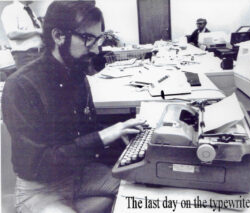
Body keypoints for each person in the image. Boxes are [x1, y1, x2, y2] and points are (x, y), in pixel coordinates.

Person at [1, 1, 145, 213]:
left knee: (147, 192)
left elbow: (84, 132)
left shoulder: (76, 73)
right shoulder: (21, 85)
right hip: (41, 190)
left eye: (99, 39)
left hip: (80, 174)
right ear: (58, 36)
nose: (96, 48)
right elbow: (39, 165)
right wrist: (103, 136)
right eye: (88, 39)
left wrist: (124, 137)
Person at [1, 0, 43, 69]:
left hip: (39, 53)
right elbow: (12, 34)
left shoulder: (29, 10)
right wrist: (37, 31)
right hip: (27, 56)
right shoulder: (9, 10)